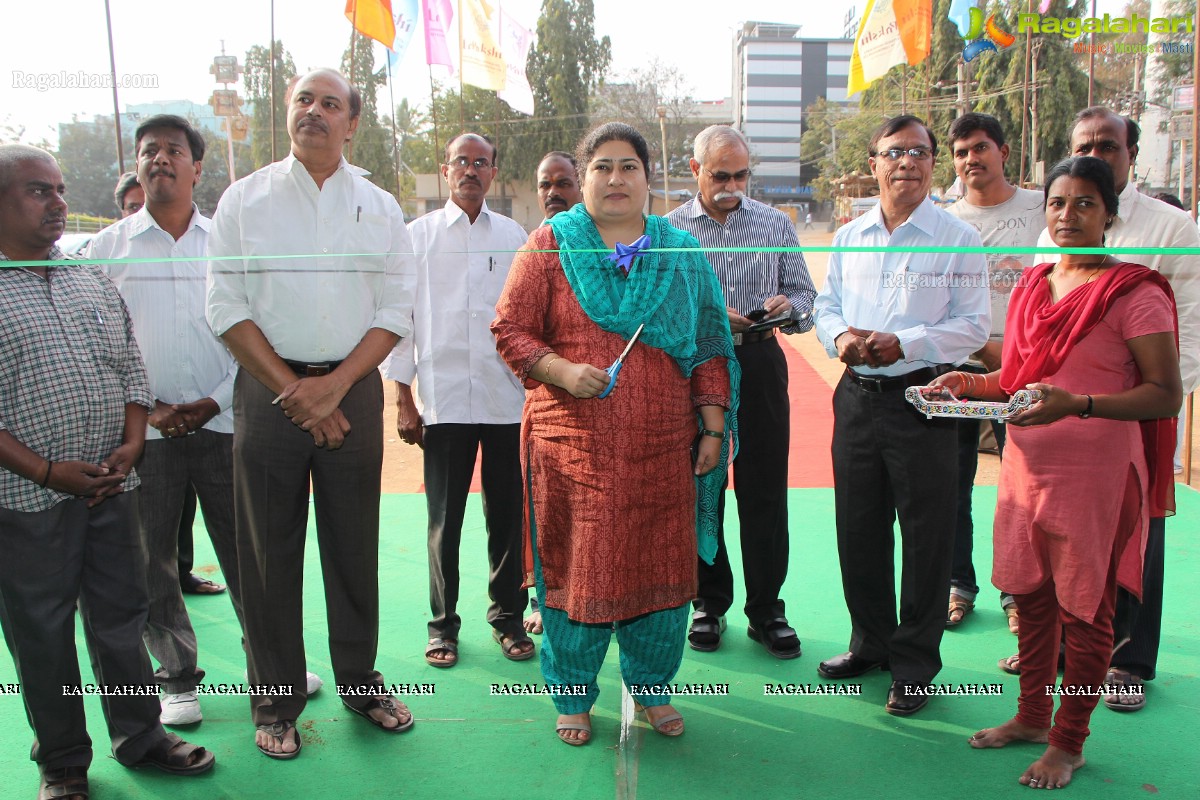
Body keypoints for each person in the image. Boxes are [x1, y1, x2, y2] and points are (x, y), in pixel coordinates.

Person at [492, 122, 737, 746]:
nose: (616, 178)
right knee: (576, 572)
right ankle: (572, 696)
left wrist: (713, 426)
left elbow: (710, 341)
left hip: (661, 451)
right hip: (570, 451)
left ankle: (652, 688)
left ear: (648, 178)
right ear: (584, 179)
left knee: (659, 570)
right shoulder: (550, 243)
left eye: (629, 166)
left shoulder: (680, 251)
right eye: (602, 166)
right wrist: (561, 370)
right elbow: (510, 329)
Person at [942, 155, 1180, 789]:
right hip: (1026, 469)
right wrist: (967, 383)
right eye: (1057, 203)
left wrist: (1080, 405)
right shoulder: (1030, 286)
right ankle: (1029, 717)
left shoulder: (1134, 292)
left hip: (1098, 475)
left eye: (1084, 203)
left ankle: (1069, 742)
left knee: (1087, 612)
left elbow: (1164, 393)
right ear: (1043, 211)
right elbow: (1015, 383)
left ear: (1109, 214)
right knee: (1031, 600)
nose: (1068, 214)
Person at [206, 68, 417, 758]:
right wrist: (294, 390)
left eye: (331, 105)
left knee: (353, 546)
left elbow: (395, 311)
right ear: (287, 111)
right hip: (269, 391)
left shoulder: (382, 206)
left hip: (353, 390)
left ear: (352, 124)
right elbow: (225, 307)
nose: (315, 113)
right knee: (267, 553)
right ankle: (275, 701)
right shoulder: (245, 199)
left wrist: (335, 386)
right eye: (304, 100)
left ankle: (359, 682)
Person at [0, 144, 215, 800]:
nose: (58, 202)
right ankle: (63, 761)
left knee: (122, 616)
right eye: (38, 191)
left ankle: (140, 734)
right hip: (27, 500)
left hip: (111, 486)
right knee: (42, 632)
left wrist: (131, 444)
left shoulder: (87, 276)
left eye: (60, 189)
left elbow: (130, 369)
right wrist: (44, 470)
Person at [813, 115, 990, 716]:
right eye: (894, 153)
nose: (906, 163)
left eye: (919, 152)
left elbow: (973, 326)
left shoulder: (958, 239)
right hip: (857, 395)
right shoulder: (849, 236)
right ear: (874, 164)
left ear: (932, 165)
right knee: (857, 527)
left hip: (927, 398)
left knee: (926, 534)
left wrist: (906, 343)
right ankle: (871, 643)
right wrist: (839, 339)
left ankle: (914, 665)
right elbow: (826, 305)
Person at [1033, 107, 1200, 711]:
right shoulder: (1053, 230)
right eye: (1084, 146)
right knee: (1057, 533)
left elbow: (1192, 326)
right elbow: (1041, 333)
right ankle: (1060, 651)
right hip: (1059, 421)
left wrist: (1138, 402)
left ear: (1130, 156)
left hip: (1136, 416)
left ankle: (1126, 659)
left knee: (1133, 533)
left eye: (1108, 147)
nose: (1096, 156)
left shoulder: (1173, 229)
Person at [90, 114, 241, 726]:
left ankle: (273, 667)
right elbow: (99, 344)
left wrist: (211, 401)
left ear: (196, 168)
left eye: (173, 150)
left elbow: (253, 332)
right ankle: (177, 677)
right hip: (145, 435)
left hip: (225, 424)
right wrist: (146, 410)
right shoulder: (106, 249)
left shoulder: (227, 242)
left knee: (249, 553)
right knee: (152, 561)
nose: (160, 159)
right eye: (149, 150)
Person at [667, 124, 815, 658]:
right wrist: (709, 317)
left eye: (741, 175)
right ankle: (708, 601)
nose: (732, 185)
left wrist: (786, 307)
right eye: (720, 175)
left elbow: (805, 296)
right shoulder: (669, 230)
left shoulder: (775, 224)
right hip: (694, 368)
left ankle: (767, 608)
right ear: (695, 171)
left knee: (765, 490)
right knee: (701, 486)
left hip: (759, 362)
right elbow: (659, 305)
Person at [386, 132, 532, 668]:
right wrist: (403, 397)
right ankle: (442, 625)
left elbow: (526, 319)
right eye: (461, 162)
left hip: (505, 401)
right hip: (442, 401)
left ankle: (507, 617)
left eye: (481, 162)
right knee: (444, 519)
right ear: (445, 170)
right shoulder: (417, 237)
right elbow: (399, 322)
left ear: (494, 172)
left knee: (506, 517)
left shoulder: (515, 236)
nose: (471, 170)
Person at [944, 112, 1045, 634]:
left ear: (1004, 152)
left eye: (980, 148)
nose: (970, 161)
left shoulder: (1041, 211)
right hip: (962, 370)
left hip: (1028, 372)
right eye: (961, 153)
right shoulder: (945, 221)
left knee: (1021, 487)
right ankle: (957, 586)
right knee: (953, 483)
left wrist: (1015, 355)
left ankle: (1018, 591)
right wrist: (978, 348)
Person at [524, 150, 584, 638]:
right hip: (540, 398)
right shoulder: (534, 243)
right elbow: (512, 327)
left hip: (589, 406)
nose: (553, 193)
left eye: (563, 182)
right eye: (546, 184)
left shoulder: (600, 241)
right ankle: (539, 597)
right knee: (540, 510)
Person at [536, 150, 583, 225]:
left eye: (563, 184)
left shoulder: (602, 233)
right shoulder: (535, 236)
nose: (552, 192)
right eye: (545, 185)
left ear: (581, 187)